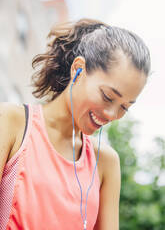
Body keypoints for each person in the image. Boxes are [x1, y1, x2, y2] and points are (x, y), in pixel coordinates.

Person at [0, 18, 151, 230]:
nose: (111, 114)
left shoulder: (106, 163)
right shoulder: (11, 122)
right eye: (107, 96)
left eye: (124, 107)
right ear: (78, 69)